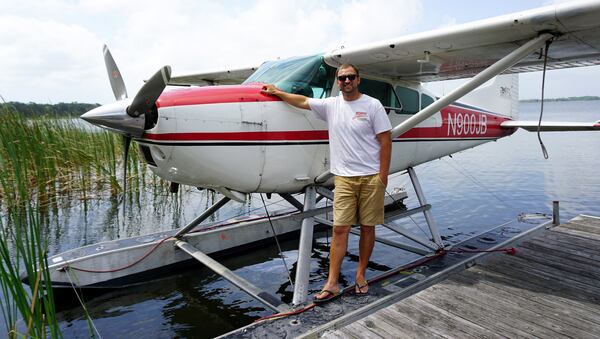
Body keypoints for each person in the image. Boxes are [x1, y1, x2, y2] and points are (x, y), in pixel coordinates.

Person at [261, 64, 392, 302]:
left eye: (350, 77)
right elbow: (302, 101)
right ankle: (332, 282)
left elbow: (385, 140)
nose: (346, 81)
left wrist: (382, 176)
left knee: (367, 227)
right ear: (338, 81)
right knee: (340, 228)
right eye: (342, 78)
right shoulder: (331, 105)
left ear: (358, 79)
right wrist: (278, 92)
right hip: (343, 178)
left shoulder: (372, 105)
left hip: (371, 177)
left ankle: (361, 274)